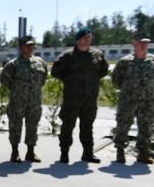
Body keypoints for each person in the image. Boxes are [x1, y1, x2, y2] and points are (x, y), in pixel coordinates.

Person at [51, 27, 109, 163]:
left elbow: (103, 71)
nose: (88, 40)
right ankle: (64, 153)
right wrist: (69, 81)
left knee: (87, 127)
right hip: (72, 98)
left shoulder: (97, 55)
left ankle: (88, 153)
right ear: (78, 40)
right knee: (67, 126)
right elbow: (55, 71)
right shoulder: (68, 56)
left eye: (89, 37)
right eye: (85, 37)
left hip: (90, 98)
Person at [0, 35, 48, 162]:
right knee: (15, 126)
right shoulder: (13, 64)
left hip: (34, 101)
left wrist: (33, 90)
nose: (31, 47)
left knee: (32, 126)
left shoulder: (40, 62)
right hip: (17, 101)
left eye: (32, 45)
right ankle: (14, 152)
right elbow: (4, 80)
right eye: (28, 45)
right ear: (21, 47)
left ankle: (30, 152)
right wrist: (17, 90)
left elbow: (43, 79)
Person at [111, 32, 154, 164]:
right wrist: (129, 91)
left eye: (145, 43)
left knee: (146, 127)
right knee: (123, 125)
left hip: (147, 101)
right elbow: (116, 80)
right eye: (140, 43)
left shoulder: (152, 61)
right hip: (128, 100)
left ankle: (142, 152)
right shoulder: (125, 62)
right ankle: (120, 151)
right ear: (134, 44)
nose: (143, 46)